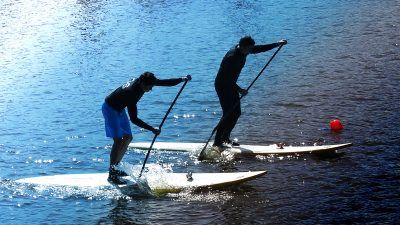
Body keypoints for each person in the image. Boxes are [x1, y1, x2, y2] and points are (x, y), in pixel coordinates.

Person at [102, 72, 191, 184]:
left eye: (151, 87)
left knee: (128, 138)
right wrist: (152, 129)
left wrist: (182, 79)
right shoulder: (131, 93)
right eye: (148, 87)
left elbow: (165, 82)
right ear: (142, 83)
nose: (150, 90)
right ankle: (112, 174)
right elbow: (134, 119)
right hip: (110, 109)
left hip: (120, 109)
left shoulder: (146, 80)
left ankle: (116, 168)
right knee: (118, 140)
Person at [213, 36, 287, 148]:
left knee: (236, 113)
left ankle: (225, 138)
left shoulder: (244, 49)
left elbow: (259, 48)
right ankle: (217, 141)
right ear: (242, 46)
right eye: (249, 49)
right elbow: (226, 79)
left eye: (251, 48)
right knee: (228, 113)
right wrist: (240, 90)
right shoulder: (231, 57)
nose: (250, 51)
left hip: (231, 85)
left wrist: (277, 44)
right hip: (222, 85)